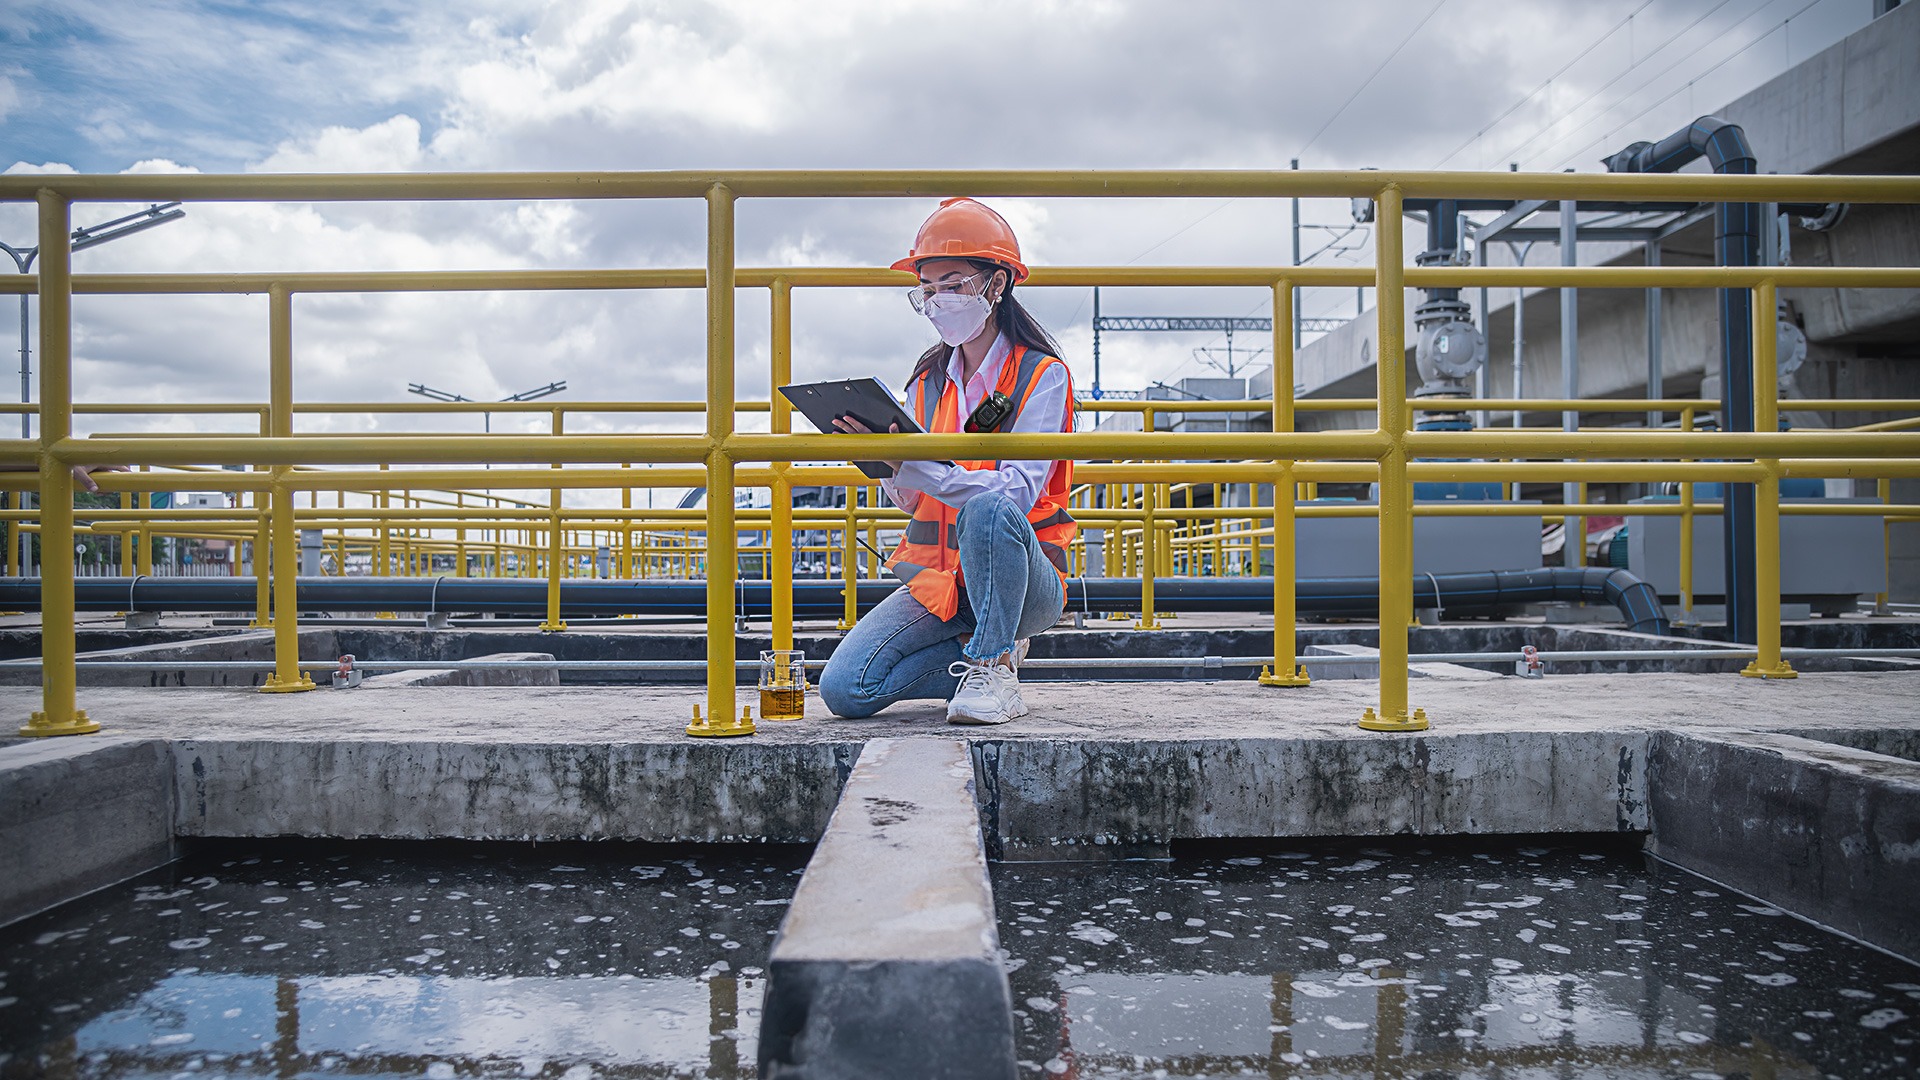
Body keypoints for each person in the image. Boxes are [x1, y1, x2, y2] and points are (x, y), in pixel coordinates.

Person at [819, 198, 1077, 726]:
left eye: (953, 283)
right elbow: (914, 498)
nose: (939, 301)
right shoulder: (926, 381)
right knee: (845, 689)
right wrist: (886, 464)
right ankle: (984, 655)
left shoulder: (1041, 376)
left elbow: (1018, 496)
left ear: (997, 284)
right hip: (944, 582)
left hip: (1025, 583)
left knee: (988, 506)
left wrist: (923, 468)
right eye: (928, 289)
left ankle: (994, 663)